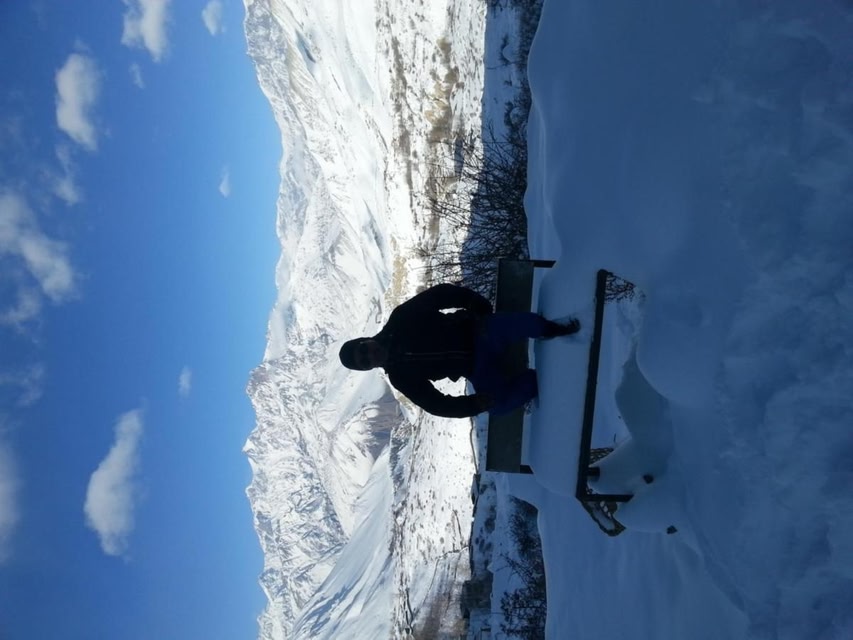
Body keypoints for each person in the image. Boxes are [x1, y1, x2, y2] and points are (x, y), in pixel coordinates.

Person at [338, 283, 580, 418]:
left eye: (364, 349)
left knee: (526, 325)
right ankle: (547, 380)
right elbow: (435, 404)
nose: (370, 355)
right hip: (477, 369)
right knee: (498, 405)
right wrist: (473, 404)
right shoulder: (401, 377)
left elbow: (440, 295)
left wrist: (473, 303)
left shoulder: (400, 320)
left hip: (479, 332)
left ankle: (566, 330)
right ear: (368, 368)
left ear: (365, 339)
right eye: (365, 361)